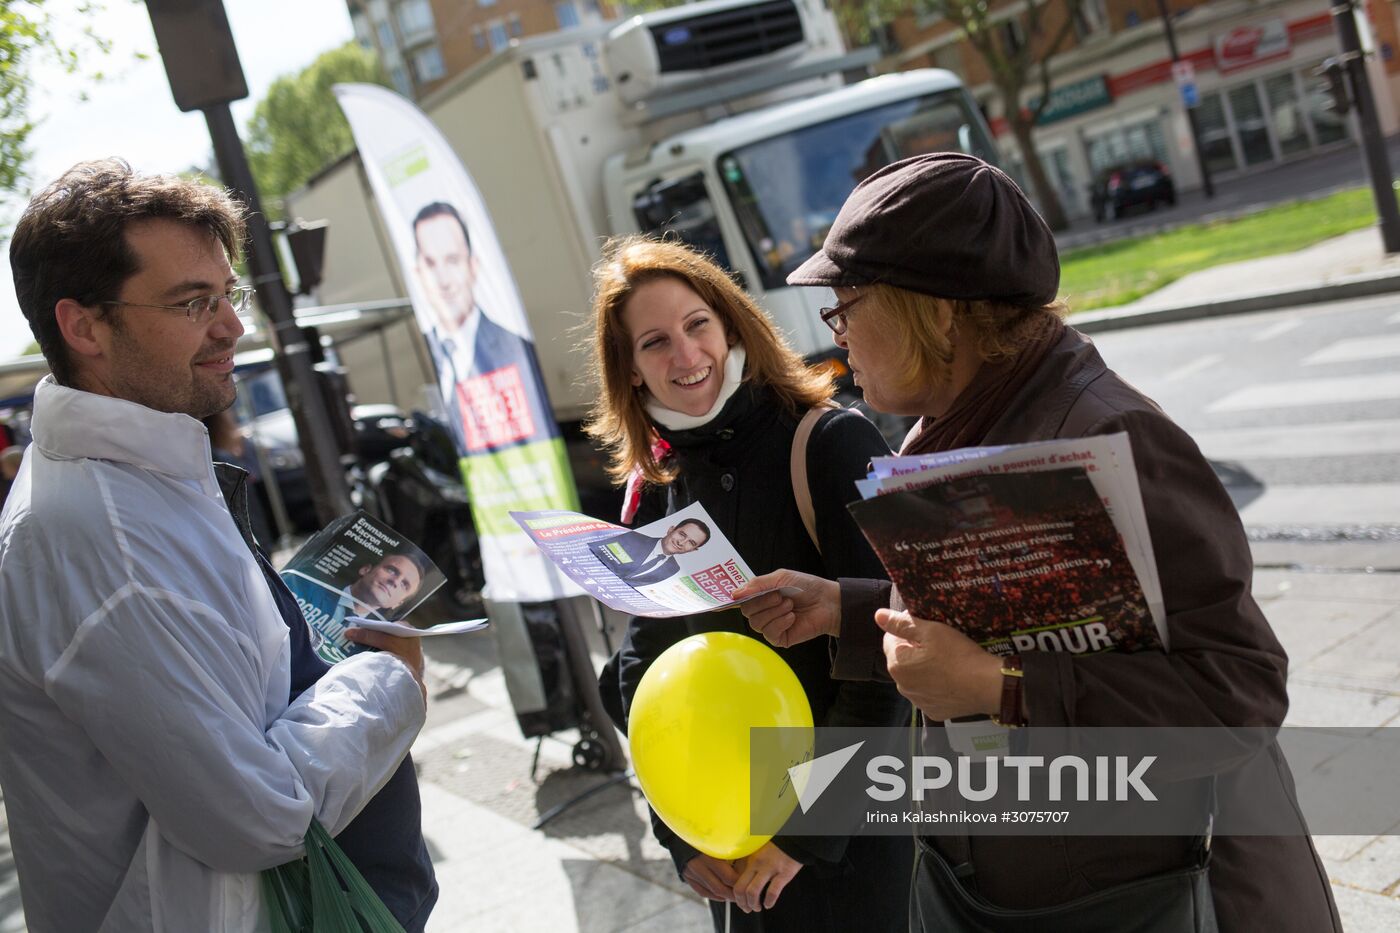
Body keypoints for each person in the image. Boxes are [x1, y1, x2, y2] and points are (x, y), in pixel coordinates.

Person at [732, 152, 1341, 932]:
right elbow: (1003, 610)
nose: (838, 334)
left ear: (938, 310)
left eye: (847, 303)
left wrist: (1003, 686)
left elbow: (1241, 692)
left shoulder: (1107, 433)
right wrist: (845, 611)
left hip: (1163, 896)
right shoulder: (956, 422)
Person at [0, 159, 438, 932]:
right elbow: (257, 816)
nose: (232, 325)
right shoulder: (105, 543)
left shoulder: (133, 478)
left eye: (226, 293)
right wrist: (385, 682)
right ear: (83, 327)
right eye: (193, 301)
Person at [587, 236, 912, 931]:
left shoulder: (831, 444)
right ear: (631, 369)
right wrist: (679, 833)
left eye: (697, 324)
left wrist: (803, 832)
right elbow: (643, 675)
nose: (685, 355)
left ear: (732, 323)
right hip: (733, 852)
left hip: (856, 846)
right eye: (654, 342)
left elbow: (887, 664)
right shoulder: (659, 485)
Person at [412, 200, 555, 455]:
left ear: (473, 266)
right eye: (431, 264)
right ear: (418, 273)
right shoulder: (431, 352)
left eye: (452, 260)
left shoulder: (511, 347)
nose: (443, 280)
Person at [286, 550, 430, 663]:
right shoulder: (305, 585)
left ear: (398, 604)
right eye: (392, 570)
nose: (395, 581)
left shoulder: (379, 648)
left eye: (405, 585)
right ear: (366, 569)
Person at [590, 518, 711, 586]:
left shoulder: (674, 570)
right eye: (682, 534)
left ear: (693, 550)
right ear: (671, 529)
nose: (682, 542)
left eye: (691, 543)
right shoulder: (632, 538)